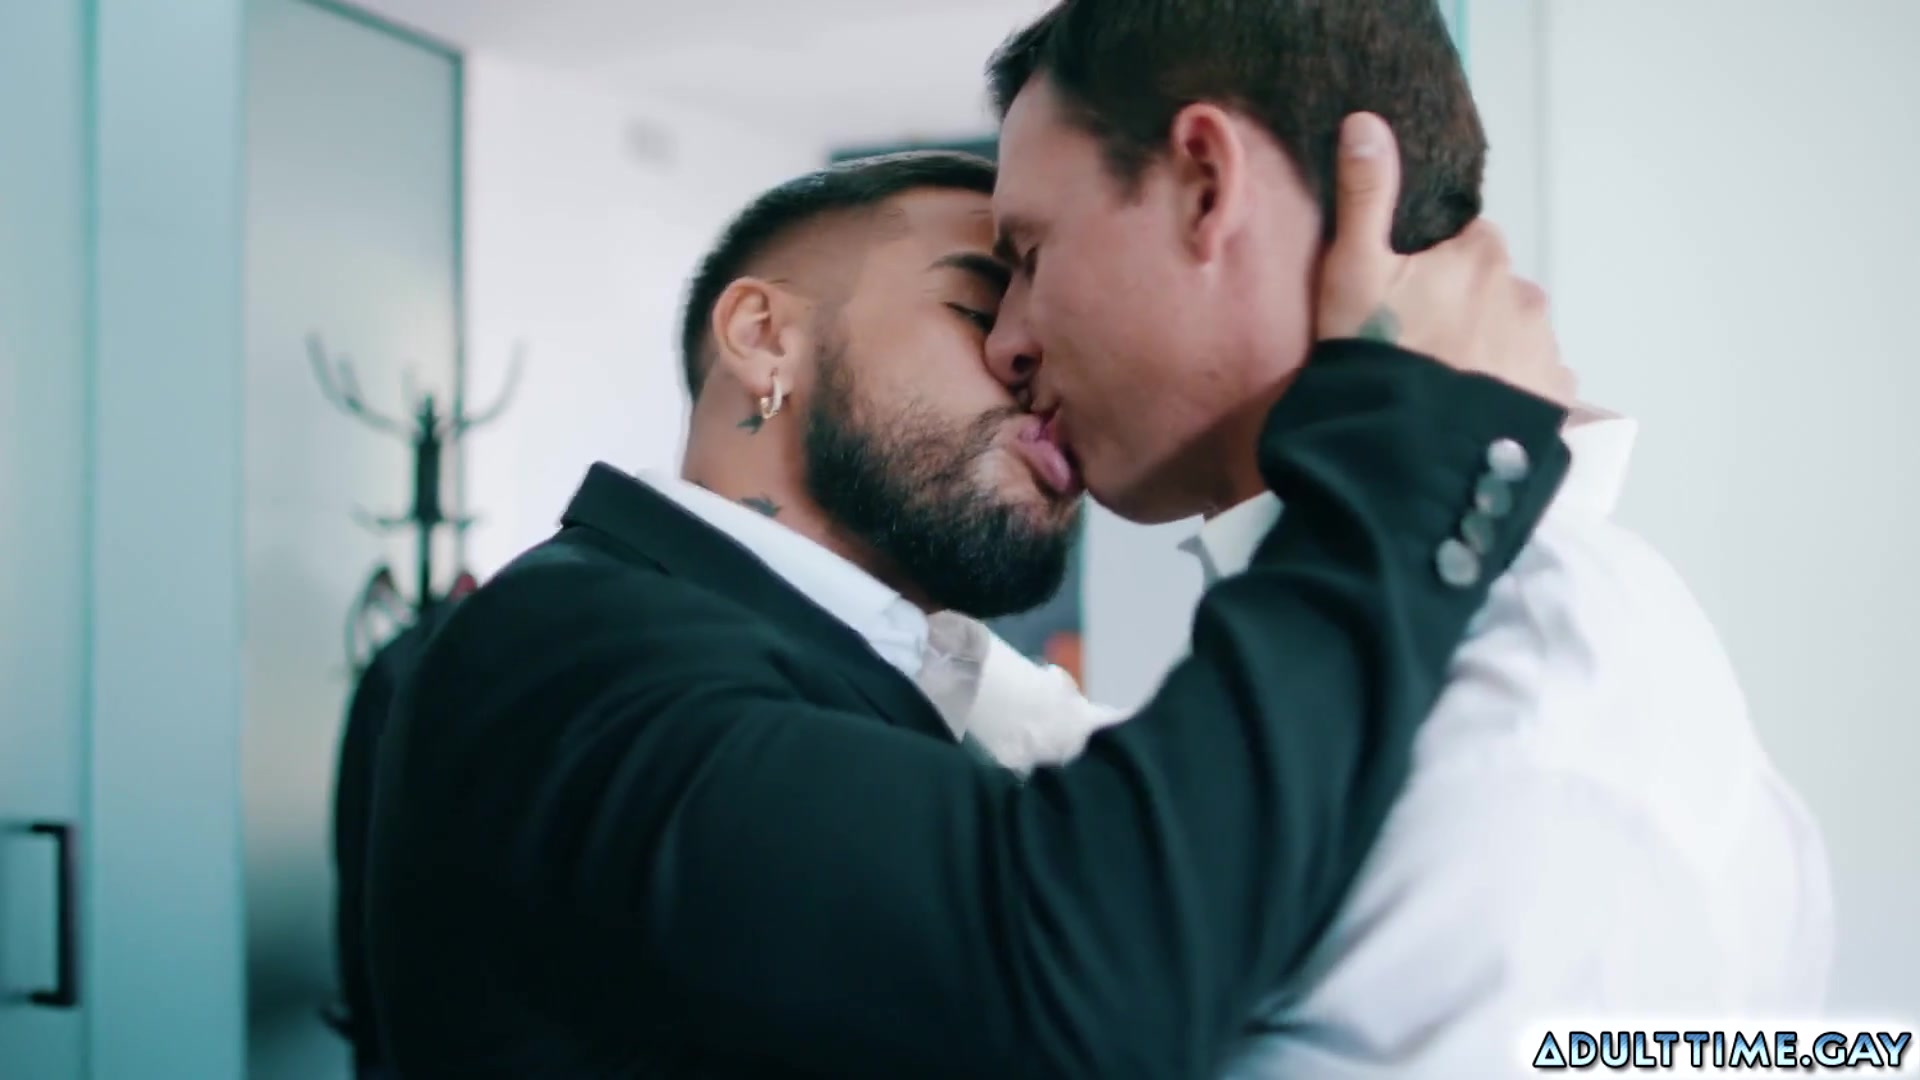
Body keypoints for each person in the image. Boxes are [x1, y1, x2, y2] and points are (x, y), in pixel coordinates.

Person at [364, 141, 1572, 1075]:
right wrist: (1406, 446)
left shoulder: (876, 665)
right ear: (764, 336)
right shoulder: (573, 650)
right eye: (979, 307)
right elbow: (1083, 972)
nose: (1036, 360)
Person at [974, 0, 1834, 1073]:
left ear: (1205, 183)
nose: (1006, 343)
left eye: (1030, 256)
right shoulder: (1433, 650)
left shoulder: (1527, 727)